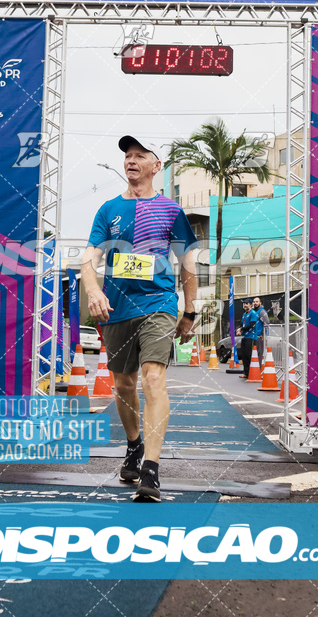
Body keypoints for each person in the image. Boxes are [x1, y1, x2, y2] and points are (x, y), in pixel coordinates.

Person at [81, 135, 198, 502]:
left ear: (155, 166)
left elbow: (188, 265)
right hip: (117, 307)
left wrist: (189, 309)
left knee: (153, 378)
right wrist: (94, 290)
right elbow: (89, 259)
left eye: (139, 155)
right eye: (127, 156)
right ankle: (133, 445)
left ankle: (151, 468)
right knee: (124, 386)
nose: (131, 161)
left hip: (159, 303)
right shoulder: (108, 210)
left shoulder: (171, 211)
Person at [236, 299, 259, 379]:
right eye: (244, 304)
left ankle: (251, 372)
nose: (245, 305)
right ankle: (246, 372)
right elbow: (241, 324)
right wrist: (239, 329)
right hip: (244, 337)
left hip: (251, 337)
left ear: (250, 304)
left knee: (249, 355)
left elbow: (251, 325)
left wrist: (241, 329)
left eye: (247, 304)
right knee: (244, 355)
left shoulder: (253, 313)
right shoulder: (244, 314)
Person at [253, 296, 269, 366]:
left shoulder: (262, 311)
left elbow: (266, 323)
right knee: (254, 354)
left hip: (259, 336)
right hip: (254, 336)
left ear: (260, 302)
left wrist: (263, 334)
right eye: (254, 302)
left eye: (257, 302)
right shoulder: (254, 311)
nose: (255, 303)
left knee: (259, 354)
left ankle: (258, 370)